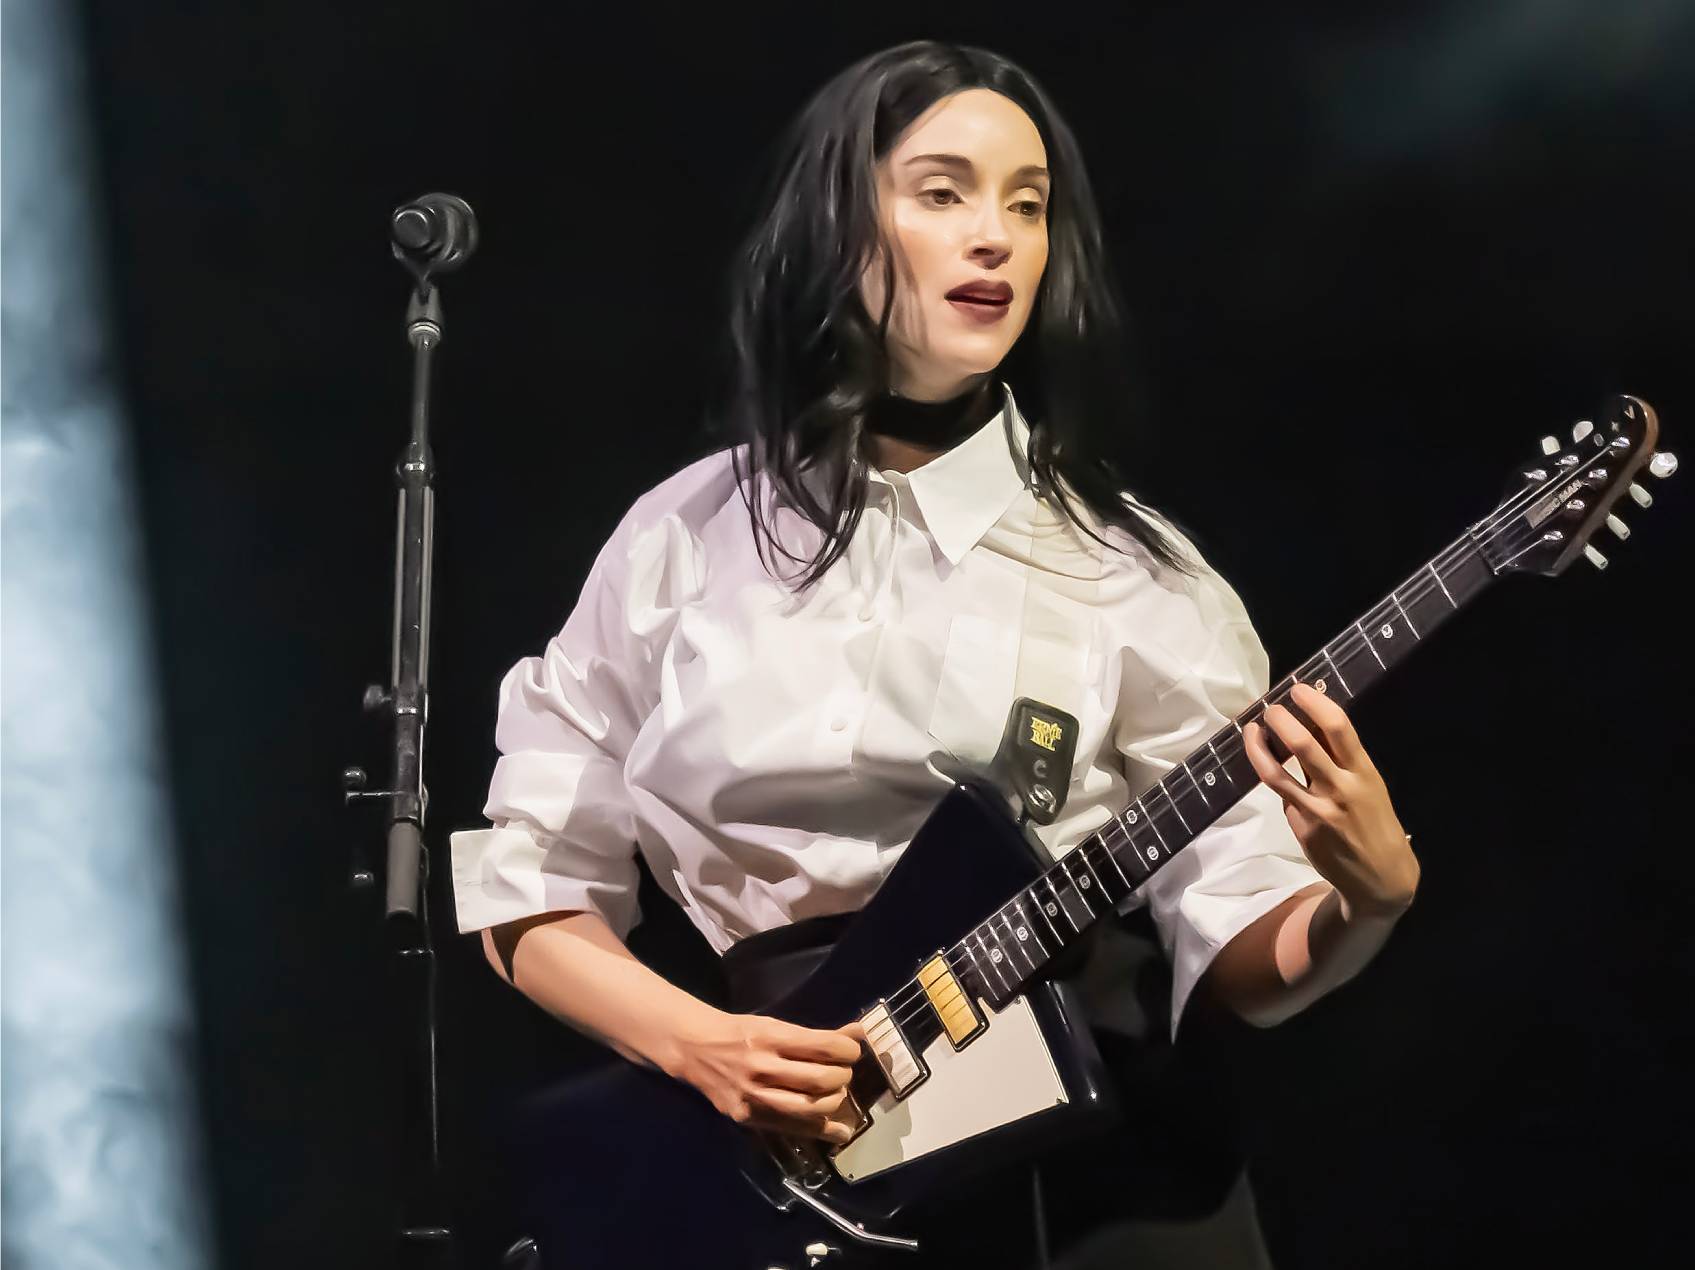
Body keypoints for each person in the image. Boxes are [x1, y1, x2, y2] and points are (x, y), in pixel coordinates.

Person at [450, 39, 1422, 1269]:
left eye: (1028, 205)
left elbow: (1247, 955)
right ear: (837, 227)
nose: (996, 238)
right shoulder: (680, 539)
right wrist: (698, 1042)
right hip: (781, 1176)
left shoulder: (1134, 575)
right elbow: (527, 883)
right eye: (942, 192)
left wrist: (1362, 901)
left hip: (1091, 1185)